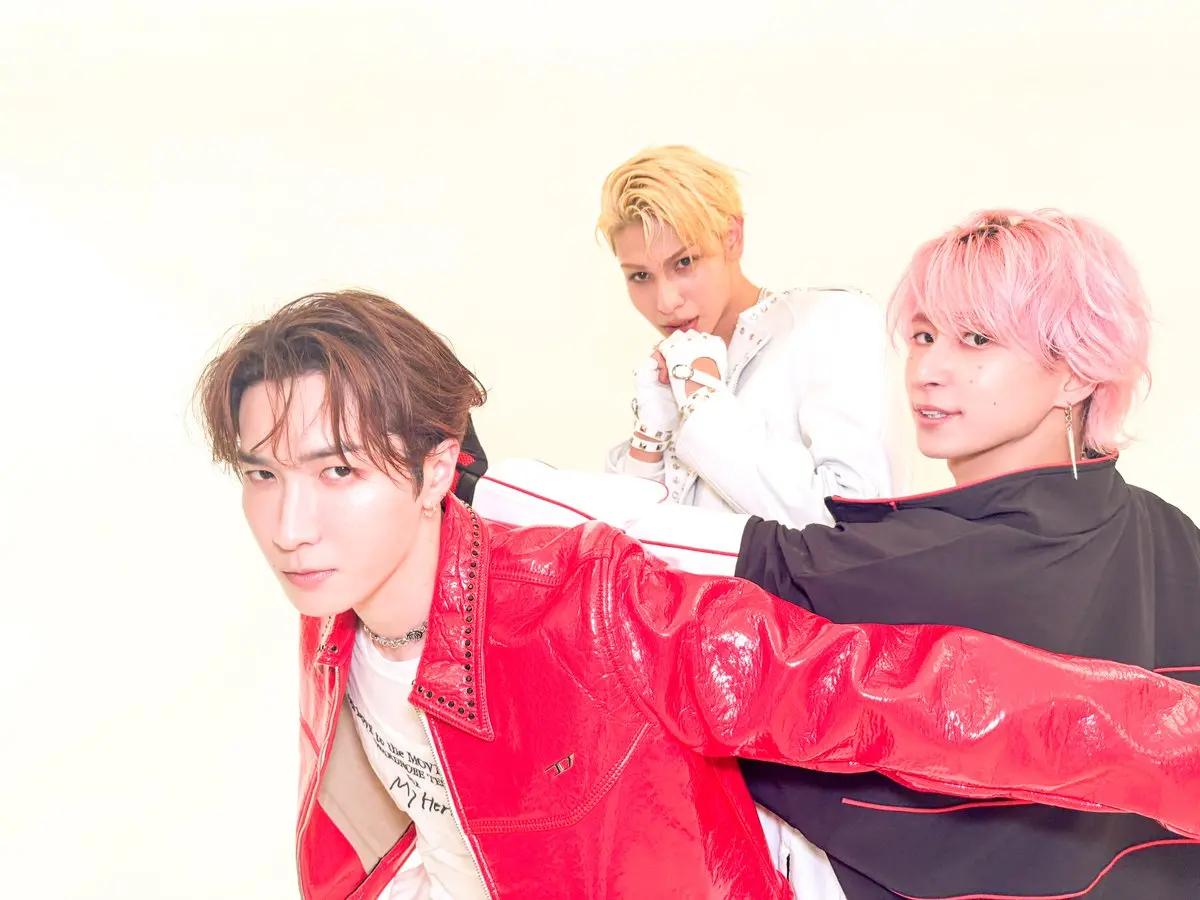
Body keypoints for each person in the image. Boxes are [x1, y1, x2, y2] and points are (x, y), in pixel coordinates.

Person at [196, 289, 1200, 900]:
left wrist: (1178, 747)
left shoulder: (590, 608)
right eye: (260, 474)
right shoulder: (336, 618)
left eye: (338, 472)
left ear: (434, 469)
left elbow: (888, 688)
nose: (290, 526)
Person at [598, 145, 892, 526]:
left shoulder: (832, 322)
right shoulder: (672, 368)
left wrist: (704, 404)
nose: (665, 302)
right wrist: (649, 440)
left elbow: (854, 520)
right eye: (640, 276)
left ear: (732, 238)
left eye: (684, 262)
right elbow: (628, 545)